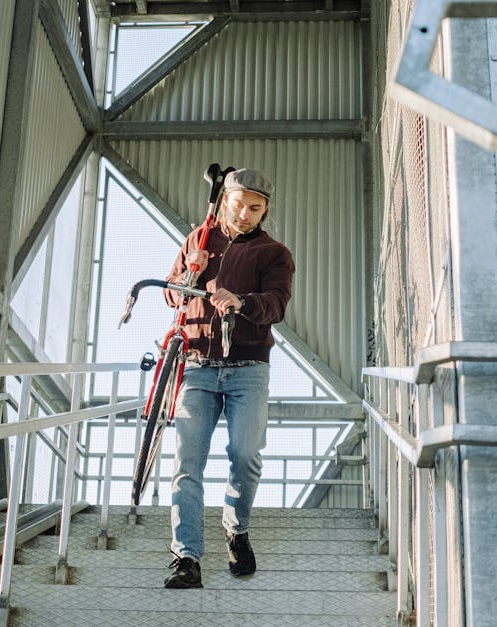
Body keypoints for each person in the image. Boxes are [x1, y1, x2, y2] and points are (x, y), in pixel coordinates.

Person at [160, 167, 295, 589]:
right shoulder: (197, 241)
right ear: (224, 202)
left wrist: (243, 302)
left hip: (248, 369)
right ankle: (186, 557)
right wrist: (188, 275)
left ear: (265, 210)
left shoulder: (274, 253)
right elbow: (171, 295)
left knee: (245, 453)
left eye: (255, 208)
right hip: (198, 365)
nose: (245, 214)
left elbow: (276, 304)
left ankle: (236, 529)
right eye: (238, 205)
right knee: (187, 464)